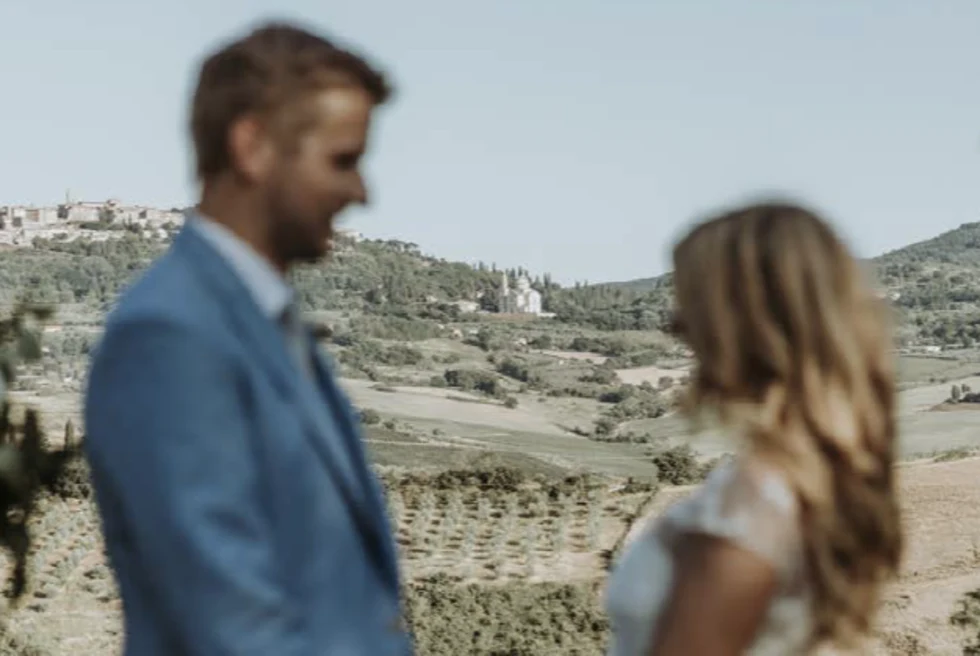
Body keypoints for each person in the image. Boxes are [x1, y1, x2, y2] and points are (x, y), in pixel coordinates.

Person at [84, 22, 412, 655]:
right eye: (343, 160)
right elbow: (230, 624)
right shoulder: (170, 338)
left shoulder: (264, 326)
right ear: (253, 146)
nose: (361, 191)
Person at [605, 202, 903, 655]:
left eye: (693, 299)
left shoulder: (751, 509)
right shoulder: (819, 479)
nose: (674, 324)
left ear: (750, 322)